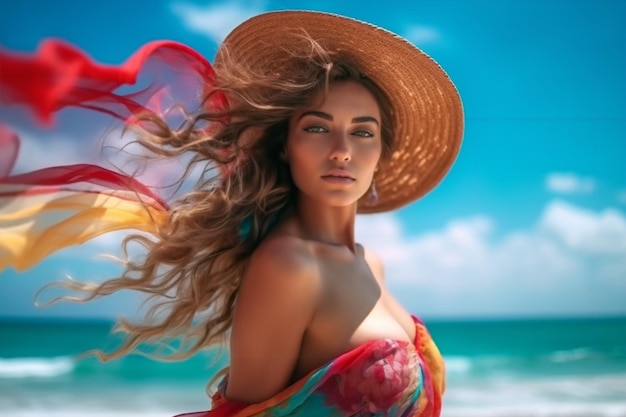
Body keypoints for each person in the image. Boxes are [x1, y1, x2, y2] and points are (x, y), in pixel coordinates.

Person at [0, 10, 463, 417]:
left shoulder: (370, 263)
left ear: (381, 152)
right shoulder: (289, 265)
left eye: (363, 133)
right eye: (318, 127)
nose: (342, 151)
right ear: (286, 146)